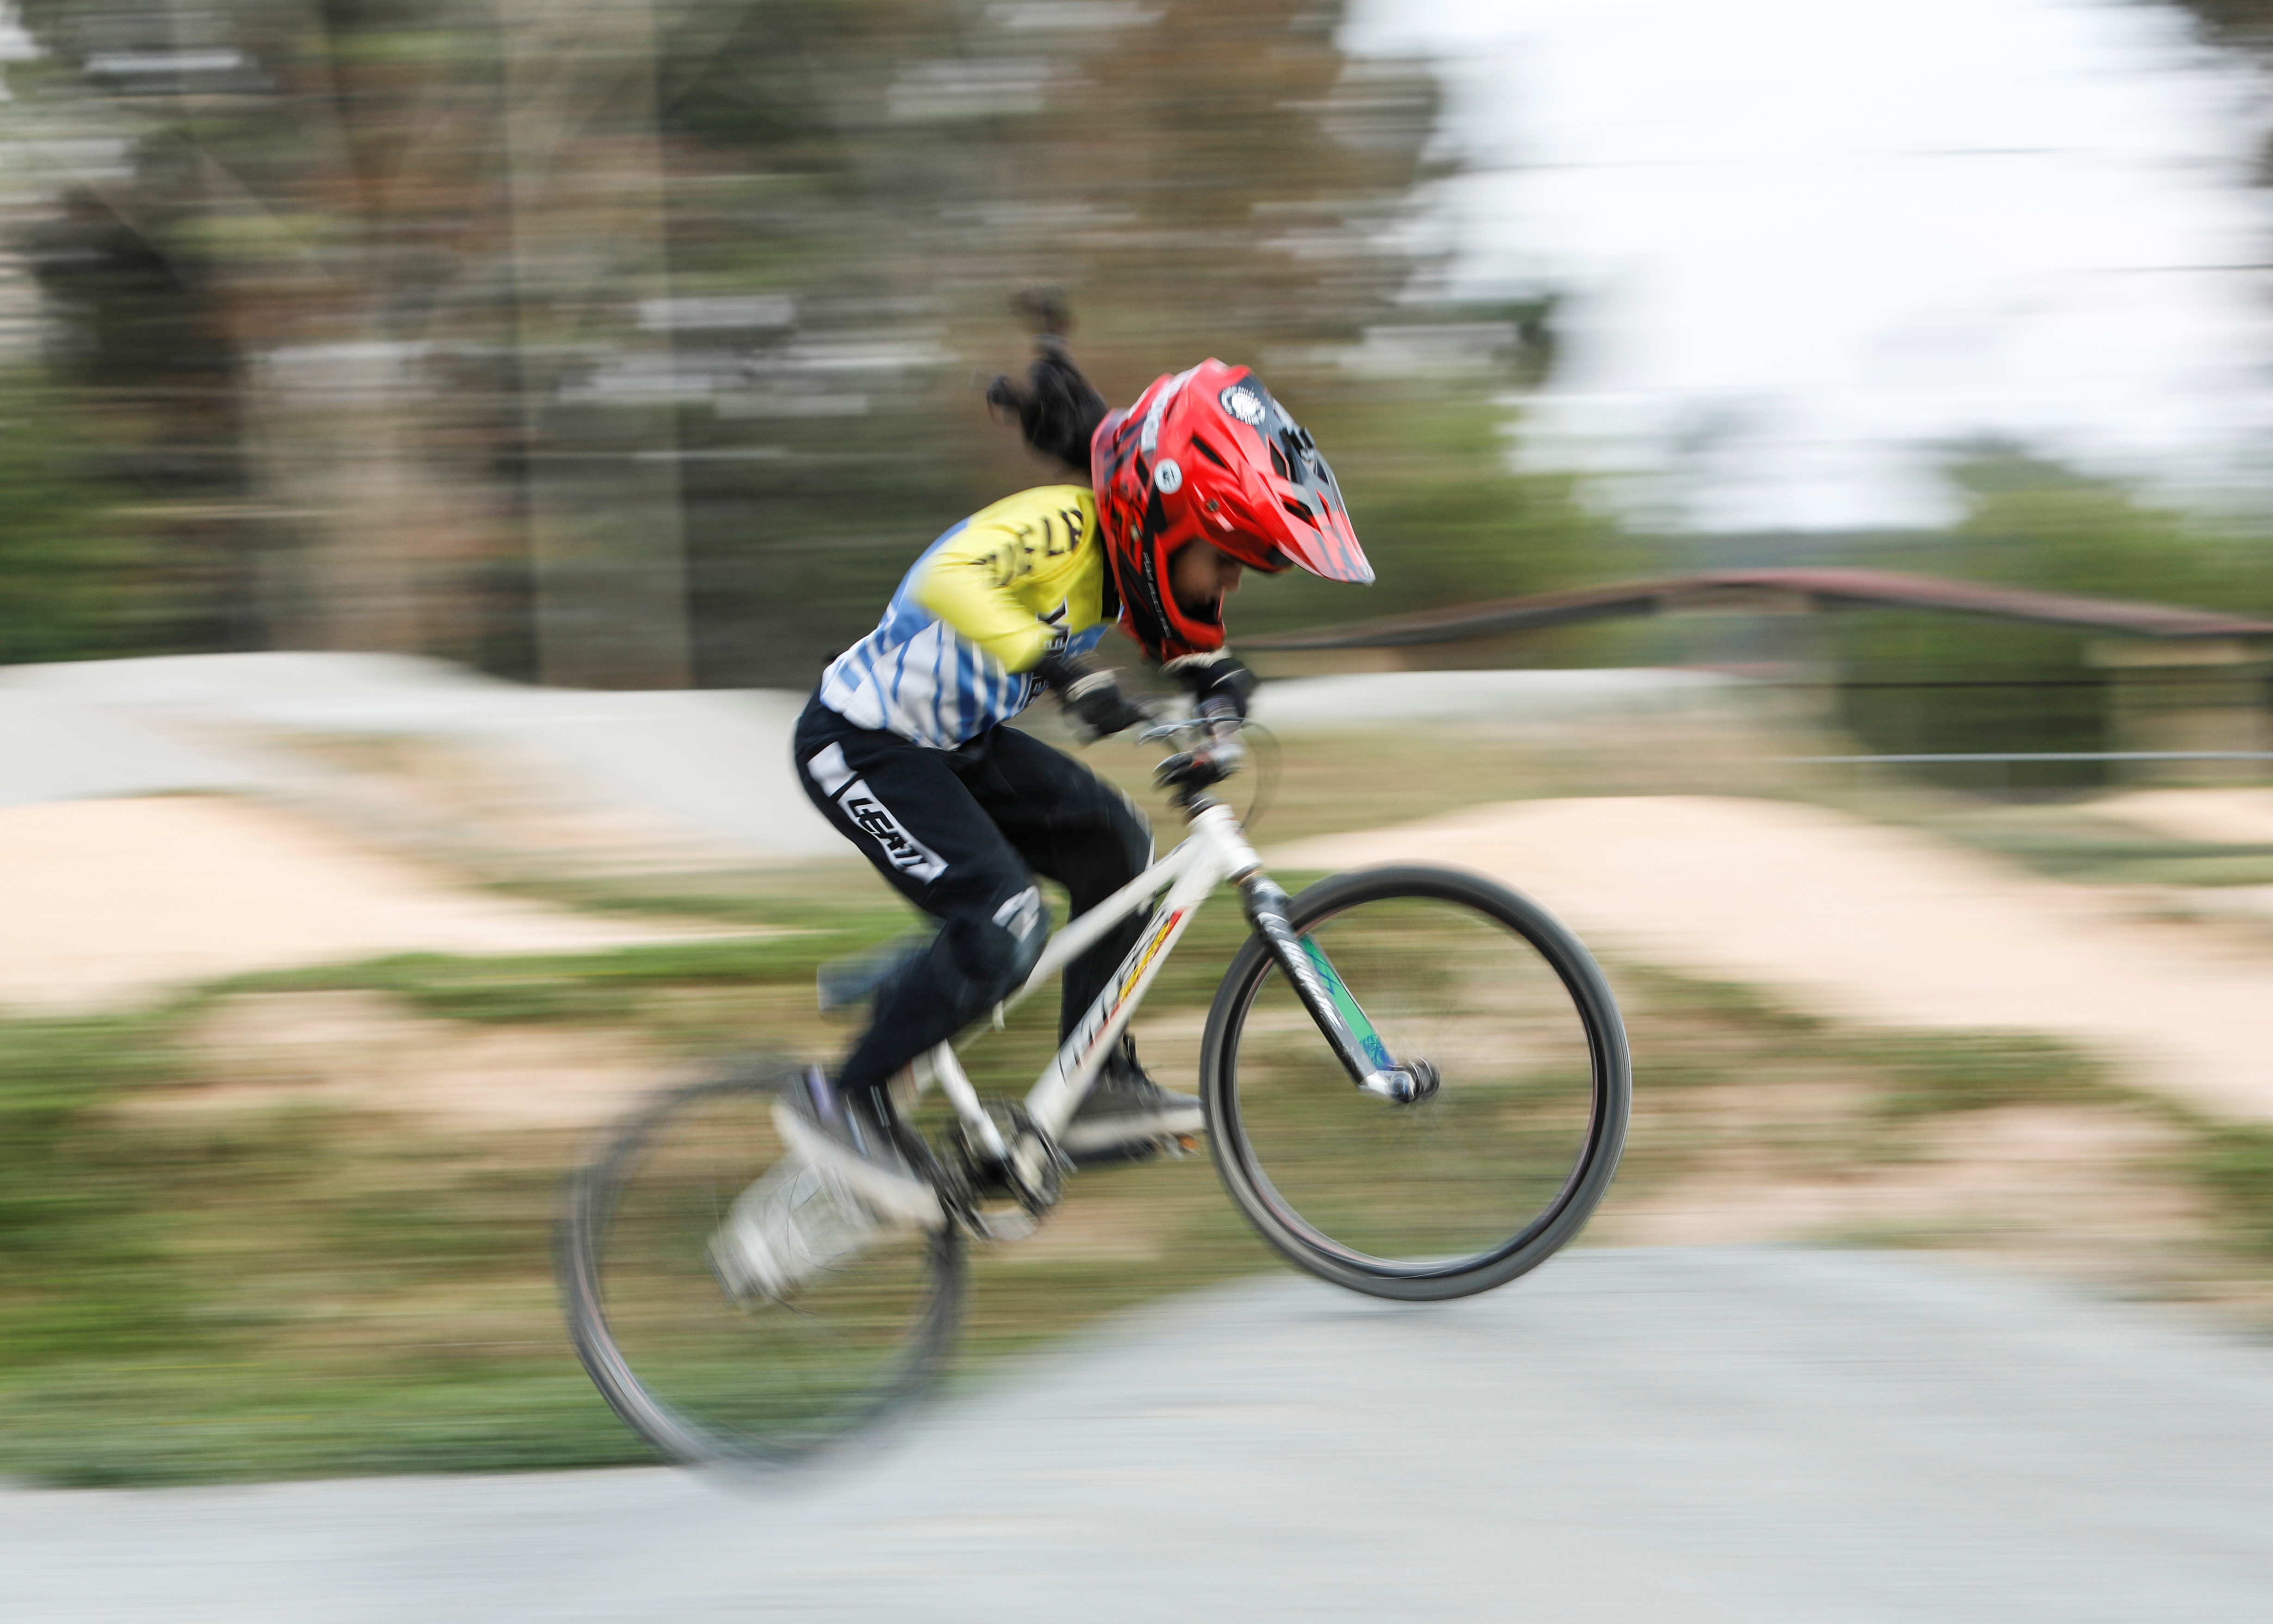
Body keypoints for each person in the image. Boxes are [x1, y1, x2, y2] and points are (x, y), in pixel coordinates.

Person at [777, 333, 1373, 1220]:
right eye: (1225, 564)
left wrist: (1213, 685)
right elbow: (949, 577)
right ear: (1165, 530)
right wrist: (1058, 668)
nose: (1228, 589)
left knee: (1114, 842)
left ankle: (1095, 1084)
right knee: (1007, 919)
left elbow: (1173, 623)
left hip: (957, 743)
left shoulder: (1130, 556)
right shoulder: (1059, 529)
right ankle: (843, 1101)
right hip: (861, 745)